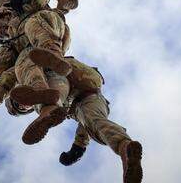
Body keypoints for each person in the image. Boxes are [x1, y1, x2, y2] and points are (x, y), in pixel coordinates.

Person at [55, 55, 144, 183]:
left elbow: (86, 126)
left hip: (80, 89)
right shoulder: (85, 114)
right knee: (95, 122)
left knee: (91, 120)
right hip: (90, 86)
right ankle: (126, 149)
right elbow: (86, 125)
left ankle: (125, 150)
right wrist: (76, 150)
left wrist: (76, 151)